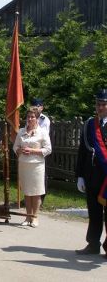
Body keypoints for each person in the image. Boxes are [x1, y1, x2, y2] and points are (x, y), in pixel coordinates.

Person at [75, 89, 107, 256]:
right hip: (92, 175)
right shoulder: (89, 124)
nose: (100, 107)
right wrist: (80, 175)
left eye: (103, 104)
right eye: (98, 104)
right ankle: (93, 244)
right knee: (94, 212)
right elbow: (82, 151)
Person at [13, 107, 52, 227]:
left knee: (36, 192)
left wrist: (33, 150)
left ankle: (35, 217)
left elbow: (48, 149)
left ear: (37, 119)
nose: (30, 119)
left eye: (32, 117)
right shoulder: (21, 131)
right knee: (27, 191)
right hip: (24, 164)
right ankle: (27, 216)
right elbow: (15, 147)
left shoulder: (42, 132)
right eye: (28, 117)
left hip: (37, 165)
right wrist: (20, 150)